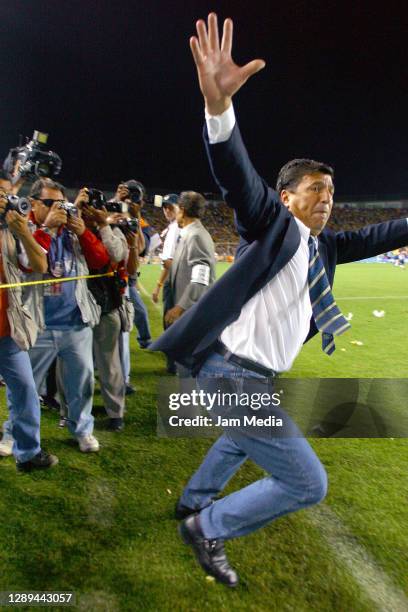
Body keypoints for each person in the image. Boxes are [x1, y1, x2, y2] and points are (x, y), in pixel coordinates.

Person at [150, 14, 408, 587]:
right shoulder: (271, 224)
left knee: (239, 443)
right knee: (307, 483)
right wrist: (219, 111)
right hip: (229, 373)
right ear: (287, 196)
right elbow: (237, 178)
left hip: (255, 377)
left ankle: (193, 500)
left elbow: (387, 234)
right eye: (316, 189)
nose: (327, 199)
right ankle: (207, 525)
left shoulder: (326, 249)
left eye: (332, 192)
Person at [22, 178, 109, 453]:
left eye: (60, 203)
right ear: (34, 203)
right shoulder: (22, 228)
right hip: (38, 324)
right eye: (50, 203)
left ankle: (82, 430)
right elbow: (27, 263)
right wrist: (46, 228)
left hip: (75, 322)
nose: (57, 209)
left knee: (80, 384)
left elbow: (100, 260)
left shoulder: (73, 231)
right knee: (24, 386)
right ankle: (15, 434)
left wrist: (84, 232)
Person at [0, 188, 58, 471]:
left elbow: (39, 264)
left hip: (7, 330)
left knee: (24, 388)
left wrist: (23, 232)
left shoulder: (10, 231)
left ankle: (27, 452)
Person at [163, 191, 216, 332]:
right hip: (186, 311)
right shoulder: (189, 233)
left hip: (190, 314)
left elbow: (200, 278)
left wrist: (180, 307)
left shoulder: (196, 236)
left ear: (182, 210)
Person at [152, 193, 180, 374]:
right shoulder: (173, 227)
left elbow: (169, 262)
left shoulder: (177, 227)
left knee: (171, 322)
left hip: (176, 282)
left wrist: (160, 285)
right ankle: (175, 362)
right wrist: (158, 285)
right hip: (173, 280)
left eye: (170, 206)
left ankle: (174, 364)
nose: (166, 210)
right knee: (171, 322)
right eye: (164, 207)